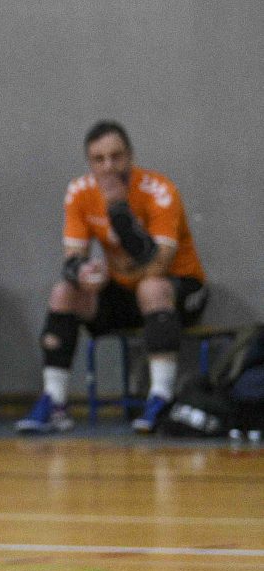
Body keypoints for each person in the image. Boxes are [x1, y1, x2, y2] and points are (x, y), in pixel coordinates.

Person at [16, 121, 207, 434]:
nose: (108, 167)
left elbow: (159, 264)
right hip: (125, 289)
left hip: (179, 290)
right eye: (99, 159)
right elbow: (72, 257)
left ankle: (161, 396)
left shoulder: (159, 191)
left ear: (130, 156)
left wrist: (119, 212)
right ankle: (55, 401)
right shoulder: (80, 191)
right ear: (89, 163)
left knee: (151, 287)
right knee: (64, 292)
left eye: (116, 157)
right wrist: (84, 273)